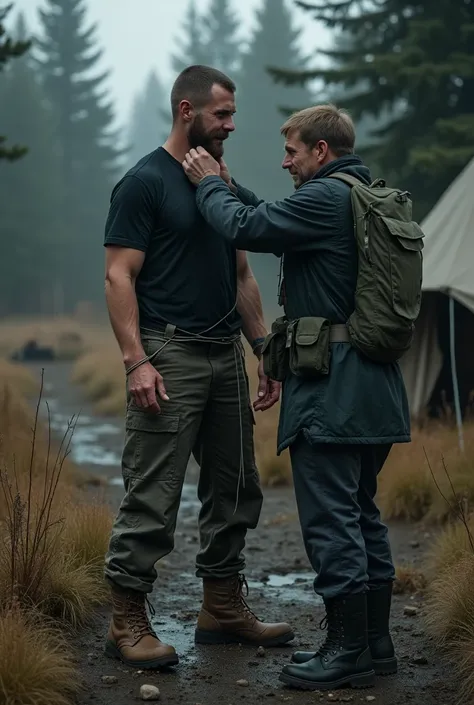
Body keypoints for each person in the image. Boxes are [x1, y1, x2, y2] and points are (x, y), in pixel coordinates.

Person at [182, 104, 413, 691]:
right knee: (362, 515)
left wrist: (209, 185)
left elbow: (245, 228)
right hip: (372, 386)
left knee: (331, 521)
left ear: (322, 152)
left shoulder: (326, 197)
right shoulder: (359, 195)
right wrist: (231, 186)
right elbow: (271, 214)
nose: (286, 161)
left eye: (292, 152)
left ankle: (345, 650)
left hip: (332, 389)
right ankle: (377, 646)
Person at [102, 64, 294, 670]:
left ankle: (221, 607)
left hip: (223, 355)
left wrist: (262, 349)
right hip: (169, 354)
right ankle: (126, 621)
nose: (231, 126)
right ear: (187, 111)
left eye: (232, 114)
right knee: (154, 495)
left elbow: (240, 273)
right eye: (222, 115)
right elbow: (118, 275)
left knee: (236, 487)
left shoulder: (221, 180)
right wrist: (136, 362)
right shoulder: (144, 182)